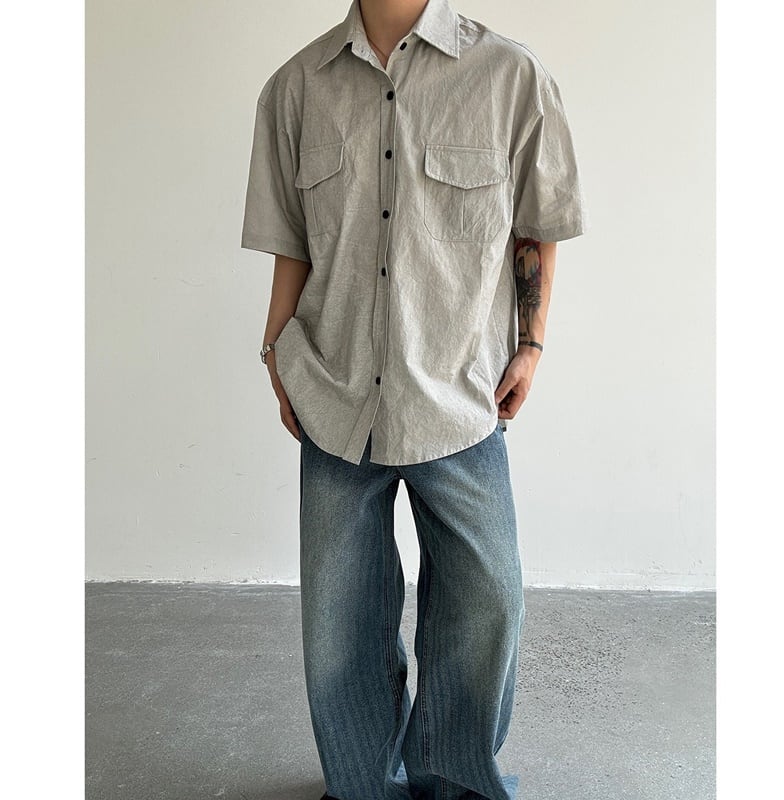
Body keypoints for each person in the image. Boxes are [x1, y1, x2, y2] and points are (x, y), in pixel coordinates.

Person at [241, 1, 588, 797]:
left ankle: (453, 776)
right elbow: (291, 242)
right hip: (334, 389)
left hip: (460, 392)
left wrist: (531, 344)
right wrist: (275, 352)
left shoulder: (511, 76)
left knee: (487, 599)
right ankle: (359, 785)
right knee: (340, 622)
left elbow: (537, 228)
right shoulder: (295, 87)